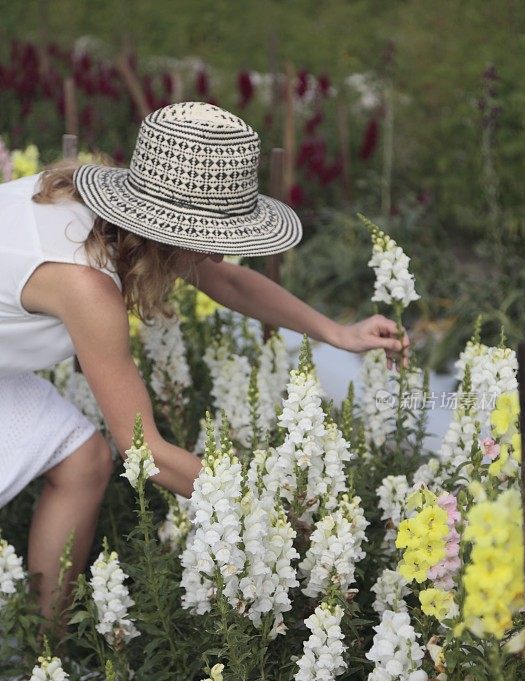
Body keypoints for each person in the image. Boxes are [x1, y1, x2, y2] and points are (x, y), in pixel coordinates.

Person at [0, 101, 409, 618]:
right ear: (169, 229)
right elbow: (144, 449)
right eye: (211, 240)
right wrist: (269, 512)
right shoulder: (83, 283)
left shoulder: (119, 214)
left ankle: (45, 644)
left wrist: (337, 332)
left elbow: (228, 280)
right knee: (93, 455)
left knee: (83, 460)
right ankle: (37, 656)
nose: (218, 254)